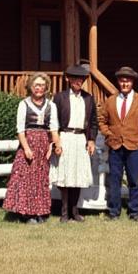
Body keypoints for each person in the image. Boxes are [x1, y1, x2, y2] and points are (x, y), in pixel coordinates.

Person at [97, 66, 138, 221]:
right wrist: (108, 134)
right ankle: (114, 211)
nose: (125, 84)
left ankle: (134, 211)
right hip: (115, 146)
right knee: (114, 180)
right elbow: (102, 120)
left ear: (132, 82)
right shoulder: (110, 100)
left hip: (135, 146)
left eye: (127, 81)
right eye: (122, 81)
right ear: (118, 82)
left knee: (134, 180)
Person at [3, 73, 59, 224]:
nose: (39, 88)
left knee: (41, 179)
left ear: (46, 87)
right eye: (36, 85)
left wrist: (53, 145)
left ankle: (40, 211)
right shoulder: (24, 104)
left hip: (43, 145)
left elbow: (53, 129)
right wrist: (26, 148)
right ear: (31, 87)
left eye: (42, 85)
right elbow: (20, 130)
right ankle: (27, 214)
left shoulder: (51, 106)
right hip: (28, 144)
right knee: (26, 179)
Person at [51, 64, 98, 222]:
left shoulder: (88, 98)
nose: (78, 82)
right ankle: (64, 212)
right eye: (75, 78)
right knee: (65, 175)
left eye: (81, 79)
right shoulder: (60, 97)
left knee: (78, 175)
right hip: (65, 137)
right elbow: (53, 121)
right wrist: (56, 142)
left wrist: (91, 139)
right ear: (68, 79)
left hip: (80, 138)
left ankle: (74, 210)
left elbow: (93, 122)